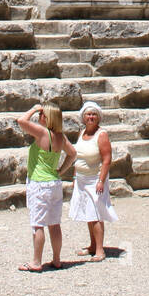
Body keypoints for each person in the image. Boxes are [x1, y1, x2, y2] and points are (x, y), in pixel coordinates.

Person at [17, 102, 76, 272]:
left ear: (47, 117)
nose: (39, 116)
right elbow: (72, 154)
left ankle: (36, 262)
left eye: (42, 114)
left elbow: (21, 121)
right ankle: (57, 259)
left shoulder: (43, 132)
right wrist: (61, 170)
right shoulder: (60, 136)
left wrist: (34, 108)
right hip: (54, 182)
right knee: (54, 224)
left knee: (38, 224)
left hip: (39, 183)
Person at [69, 102, 117, 261]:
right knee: (87, 212)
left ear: (98, 117)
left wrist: (101, 180)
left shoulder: (101, 135)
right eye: (88, 114)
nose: (90, 117)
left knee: (96, 213)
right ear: (83, 117)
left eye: (94, 114)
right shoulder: (81, 133)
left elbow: (107, 159)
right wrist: (75, 176)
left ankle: (100, 250)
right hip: (82, 179)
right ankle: (92, 245)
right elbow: (77, 156)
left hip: (94, 179)